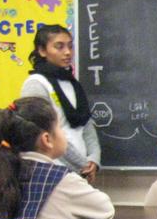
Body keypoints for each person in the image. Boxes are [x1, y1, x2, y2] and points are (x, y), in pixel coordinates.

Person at [20, 24, 101, 183]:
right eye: (59, 47)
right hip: (52, 170)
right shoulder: (36, 84)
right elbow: (45, 133)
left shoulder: (73, 84)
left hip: (79, 171)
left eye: (70, 46)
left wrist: (93, 159)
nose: (68, 52)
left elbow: (86, 125)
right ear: (42, 51)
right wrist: (81, 164)